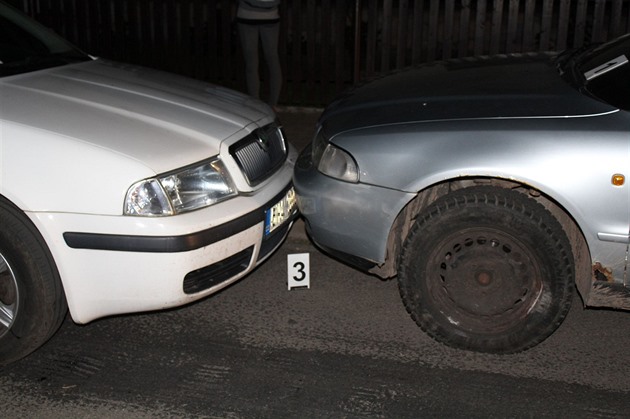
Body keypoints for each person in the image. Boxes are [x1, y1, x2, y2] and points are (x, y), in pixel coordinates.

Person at [236, 0, 282, 109]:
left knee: (251, 62)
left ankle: (255, 104)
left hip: (247, 14)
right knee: (272, 59)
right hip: (270, 14)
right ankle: (273, 104)